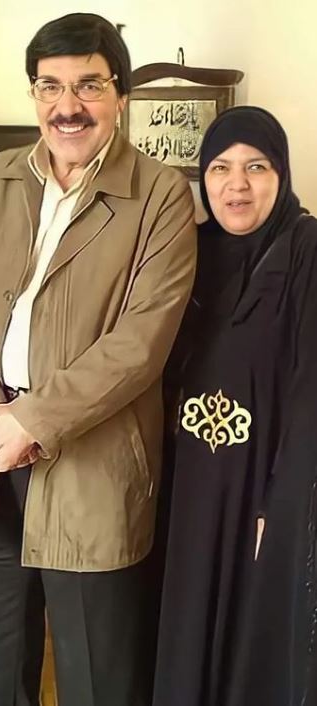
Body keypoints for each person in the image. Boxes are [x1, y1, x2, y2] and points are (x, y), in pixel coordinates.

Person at [0, 12, 197, 706]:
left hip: (91, 472)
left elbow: (140, 343)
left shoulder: (160, 195)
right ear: (34, 94)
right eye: (50, 86)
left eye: (89, 86)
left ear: (120, 95)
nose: (67, 106)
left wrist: (33, 421)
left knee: (97, 679)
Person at [153, 106, 317, 706]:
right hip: (186, 487)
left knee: (251, 643)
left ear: (282, 173)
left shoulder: (306, 249)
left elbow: (311, 388)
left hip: (259, 489)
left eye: (256, 167)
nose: (236, 185)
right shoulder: (190, 251)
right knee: (183, 629)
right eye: (220, 168)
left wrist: (282, 503)